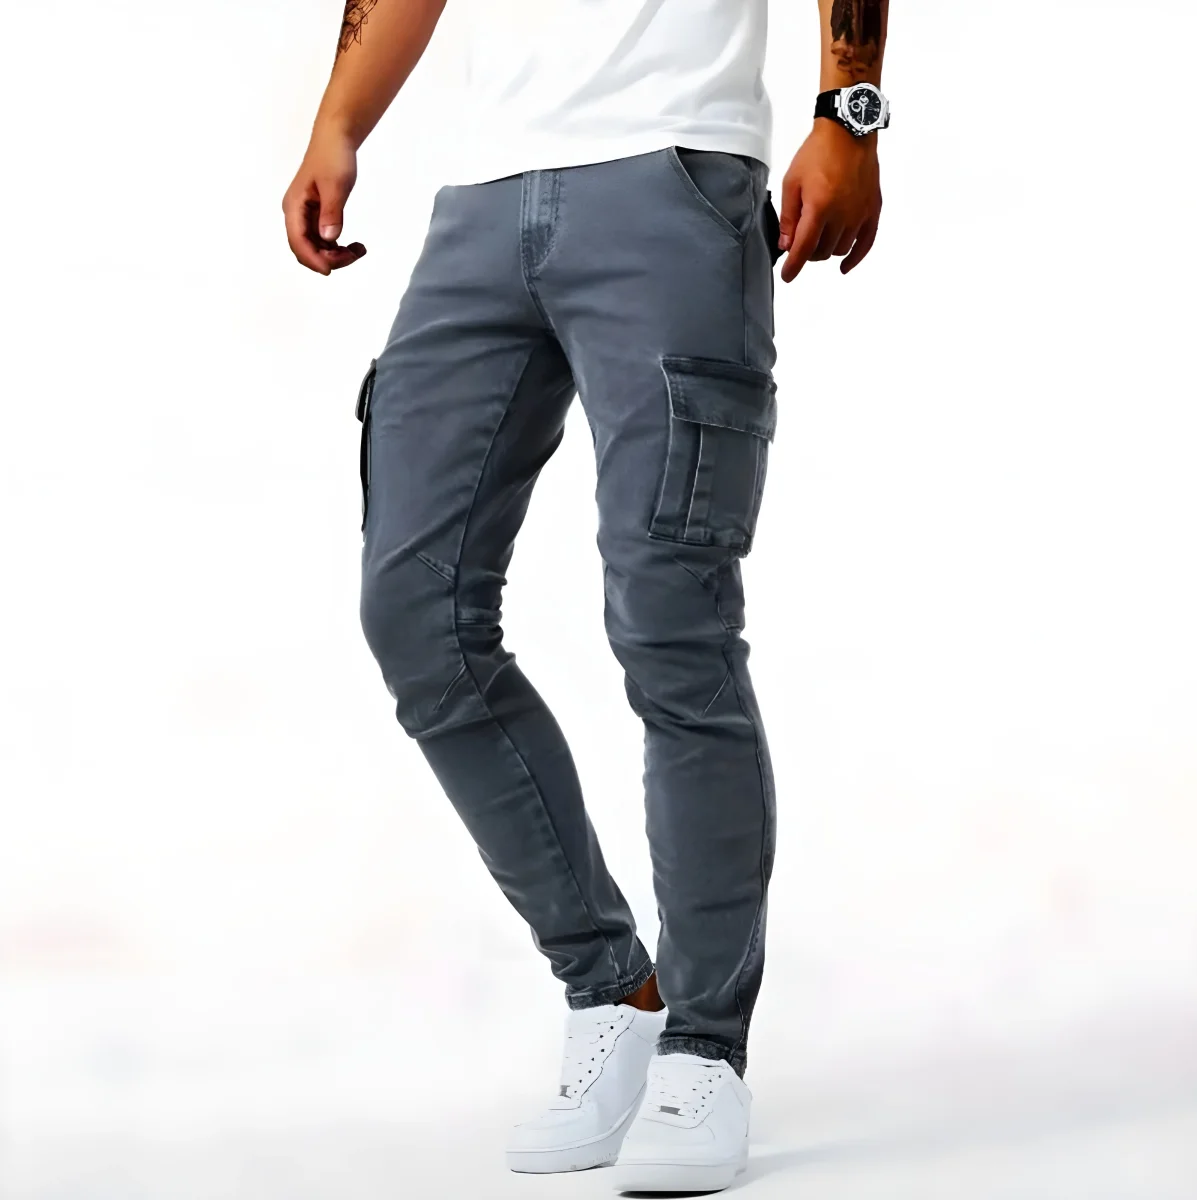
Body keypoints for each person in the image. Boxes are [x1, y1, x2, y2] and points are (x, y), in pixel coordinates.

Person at [283, 0, 888, 1191]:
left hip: (673, 169)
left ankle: (705, 1048)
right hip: (481, 197)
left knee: (672, 624)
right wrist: (339, 122)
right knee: (416, 616)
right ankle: (614, 989)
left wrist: (849, 112)